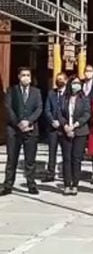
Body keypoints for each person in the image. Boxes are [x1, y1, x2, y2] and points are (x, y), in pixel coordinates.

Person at [0, 67, 42, 196]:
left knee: (30, 160)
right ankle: (8, 185)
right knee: (12, 159)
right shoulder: (11, 91)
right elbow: (8, 108)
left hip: (30, 130)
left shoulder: (36, 92)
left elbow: (39, 108)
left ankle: (31, 184)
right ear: (19, 76)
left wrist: (28, 121)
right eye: (23, 75)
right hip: (14, 130)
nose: (26, 77)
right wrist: (18, 123)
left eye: (28, 75)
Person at [57, 76, 91, 196]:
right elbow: (59, 113)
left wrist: (75, 125)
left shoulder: (85, 99)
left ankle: (75, 184)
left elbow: (87, 114)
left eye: (78, 83)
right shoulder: (63, 98)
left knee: (76, 159)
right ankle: (67, 184)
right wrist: (66, 126)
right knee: (67, 159)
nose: (76, 85)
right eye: (74, 83)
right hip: (65, 131)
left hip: (80, 131)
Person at [42, 72, 67, 183]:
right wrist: (52, 121)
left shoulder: (69, 94)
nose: (59, 81)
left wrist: (62, 123)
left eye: (61, 79)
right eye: (58, 79)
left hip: (64, 128)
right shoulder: (51, 93)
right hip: (52, 128)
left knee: (66, 152)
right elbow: (47, 109)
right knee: (52, 152)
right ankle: (50, 173)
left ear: (66, 81)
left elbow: (70, 111)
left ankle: (67, 174)